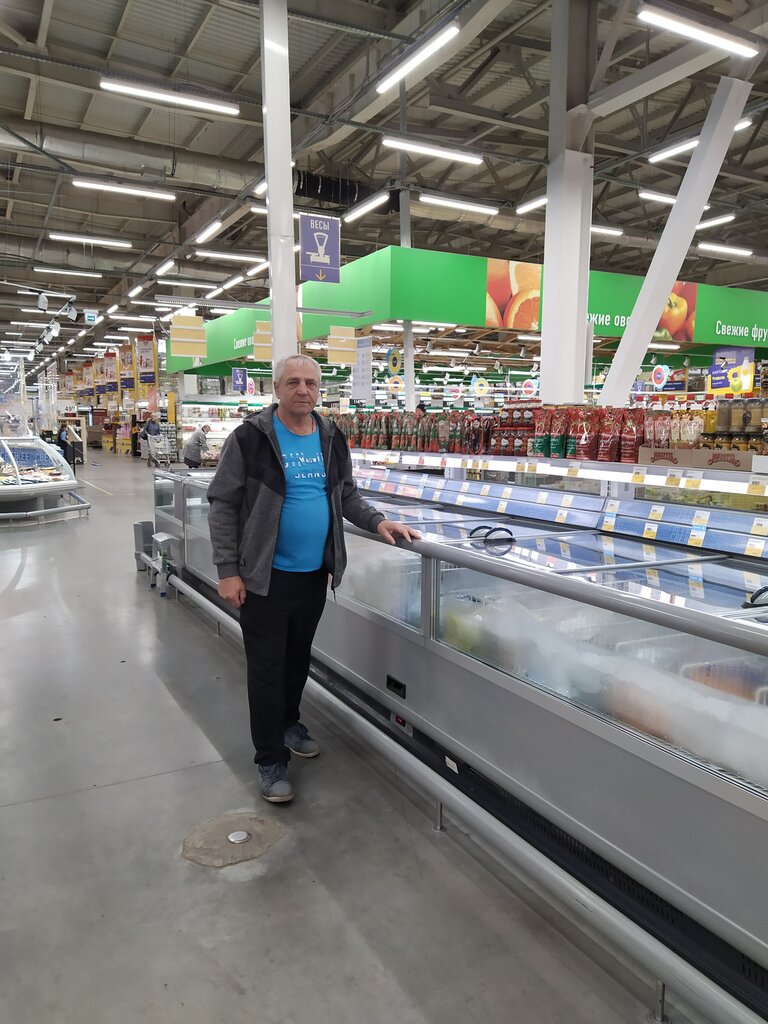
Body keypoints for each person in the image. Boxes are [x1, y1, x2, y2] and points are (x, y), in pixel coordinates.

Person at [208, 354, 419, 804]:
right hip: (263, 578)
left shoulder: (330, 435)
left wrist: (378, 520)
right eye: (293, 382)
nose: (303, 390)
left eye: (311, 383)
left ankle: (289, 724)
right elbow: (223, 503)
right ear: (276, 388)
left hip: (312, 576)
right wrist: (228, 571)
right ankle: (270, 759)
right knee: (266, 670)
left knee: (296, 660)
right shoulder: (250, 438)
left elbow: (346, 494)